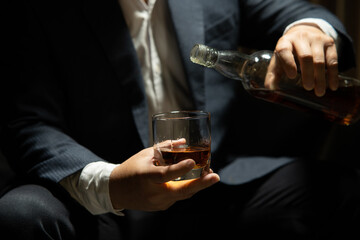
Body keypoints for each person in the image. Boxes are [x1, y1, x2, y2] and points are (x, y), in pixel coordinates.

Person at [0, 0, 359, 239]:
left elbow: (294, 11)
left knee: (337, 187)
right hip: (103, 203)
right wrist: (111, 184)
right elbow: (28, 121)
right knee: (21, 213)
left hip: (216, 183)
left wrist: (309, 30)